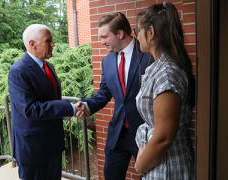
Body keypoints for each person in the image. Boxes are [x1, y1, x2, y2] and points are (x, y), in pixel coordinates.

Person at [76, 12, 153, 179]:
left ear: (120, 33)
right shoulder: (107, 61)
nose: (101, 41)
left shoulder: (149, 55)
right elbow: (104, 92)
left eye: (104, 36)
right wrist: (88, 105)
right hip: (118, 134)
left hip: (145, 134)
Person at [8, 24, 82, 180]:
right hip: (33, 149)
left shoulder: (49, 66)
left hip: (52, 145)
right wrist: (69, 109)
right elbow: (30, 109)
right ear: (32, 44)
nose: (53, 44)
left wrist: (65, 111)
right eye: (48, 41)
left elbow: (50, 99)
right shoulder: (18, 71)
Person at [134, 2, 195, 179]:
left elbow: (163, 138)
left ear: (151, 33)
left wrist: (139, 166)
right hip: (160, 163)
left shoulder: (167, 74)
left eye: (138, 31)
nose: (137, 36)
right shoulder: (159, 67)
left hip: (167, 168)